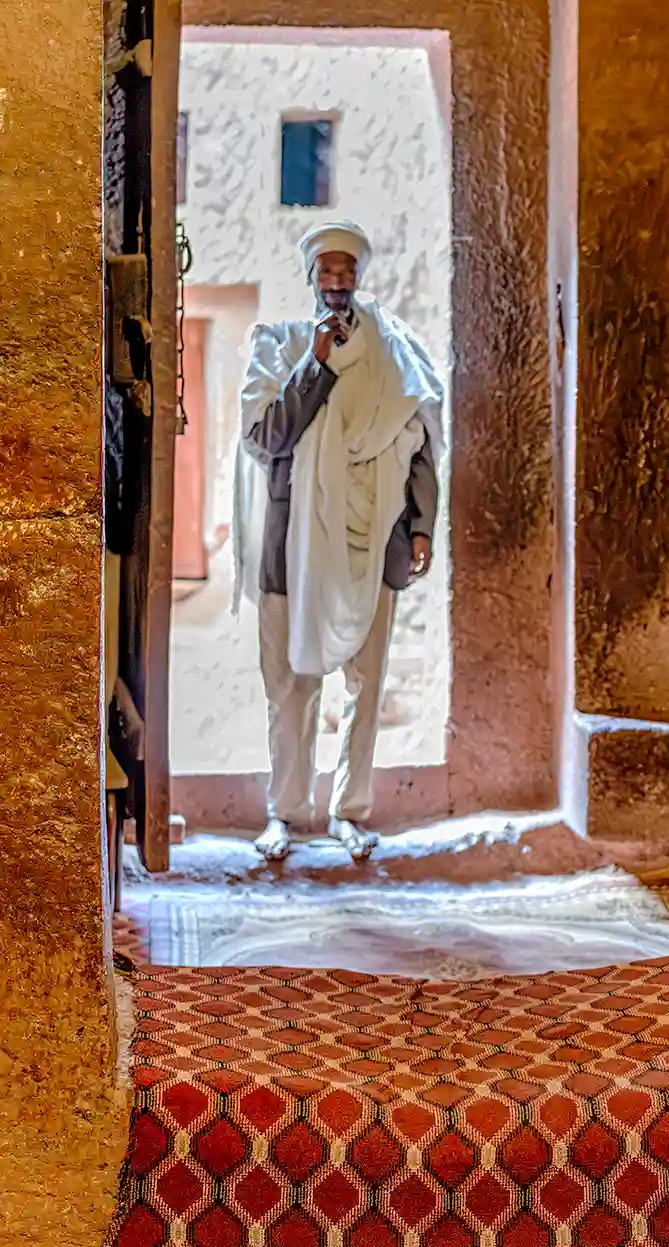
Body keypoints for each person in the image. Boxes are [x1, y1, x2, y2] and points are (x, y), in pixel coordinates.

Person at [233, 220, 444, 862]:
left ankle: (349, 812)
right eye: (325, 271)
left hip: (374, 538)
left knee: (366, 678)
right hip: (289, 543)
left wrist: (422, 526)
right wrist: (315, 365)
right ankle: (286, 813)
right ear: (309, 279)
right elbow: (267, 437)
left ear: (360, 278)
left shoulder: (390, 349)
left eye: (346, 271)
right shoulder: (280, 345)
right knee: (289, 683)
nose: (336, 282)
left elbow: (419, 442)